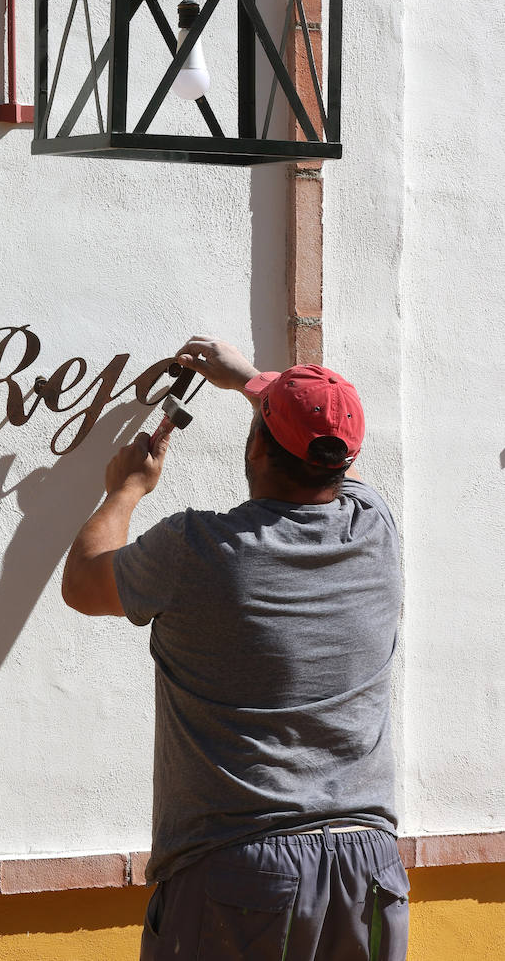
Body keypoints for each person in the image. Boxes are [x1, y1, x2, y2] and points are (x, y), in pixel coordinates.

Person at [62, 337, 409, 960]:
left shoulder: (197, 551)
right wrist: (254, 382)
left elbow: (84, 583)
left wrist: (125, 490)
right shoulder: (376, 528)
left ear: (255, 448)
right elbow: (337, 461)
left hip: (241, 874)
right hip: (370, 871)